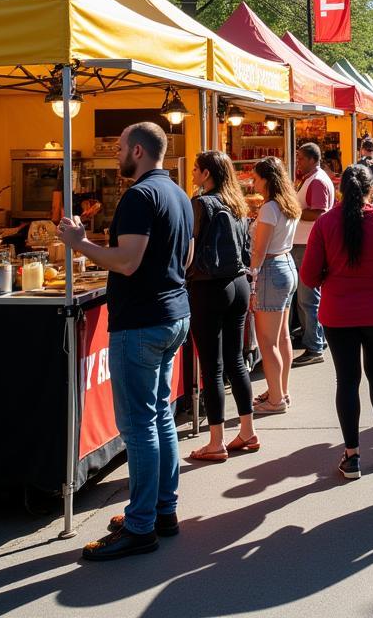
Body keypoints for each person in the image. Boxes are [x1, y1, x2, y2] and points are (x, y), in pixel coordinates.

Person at [59, 123, 193, 561]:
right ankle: (161, 511)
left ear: (137, 150)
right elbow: (184, 257)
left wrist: (80, 244)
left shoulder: (140, 196)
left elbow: (128, 262)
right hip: (172, 315)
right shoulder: (178, 193)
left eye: (118, 148)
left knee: (139, 426)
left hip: (141, 321)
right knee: (159, 418)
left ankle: (140, 525)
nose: (116, 154)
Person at [301, 165, 373, 479]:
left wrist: (331, 279)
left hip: (337, 314)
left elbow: (309, 275)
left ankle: (351, 456)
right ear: (372, 190)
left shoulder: (325, 223)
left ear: (341, 192)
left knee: (346, 380)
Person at [186, 151, 257, 462]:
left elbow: (189, 248)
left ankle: (216, 441)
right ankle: (247, 430)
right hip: (239, 283)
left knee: (212, 367)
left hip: (209, 285)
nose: (191, 173)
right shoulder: (238, 205)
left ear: (206, 174)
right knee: (236, 361)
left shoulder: (201, 203)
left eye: (195, 169)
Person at [249, 156, 301, 416]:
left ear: (267, 179)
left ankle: (276, 398)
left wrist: (252, 278)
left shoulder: (269, 208)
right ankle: (280, 390)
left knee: (267, 341)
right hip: (287, 264)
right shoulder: (287, 204)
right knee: (282, 336)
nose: (253, 183)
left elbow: (259, 250)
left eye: (256, 178)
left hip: (271, 268)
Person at [291, 143, 334, 368]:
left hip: (308, 245)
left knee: (308, 298)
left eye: (299, 158)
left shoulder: (316, 181)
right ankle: (315, 338)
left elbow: (320, 213)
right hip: (305, 244)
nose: (297, 161)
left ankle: (314, 346)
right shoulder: (312, 178)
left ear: (310, 159)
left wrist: (292, 209)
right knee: (307, 297)